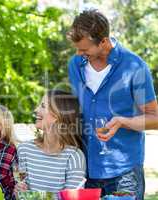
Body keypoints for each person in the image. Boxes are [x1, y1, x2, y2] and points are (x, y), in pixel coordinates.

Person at [67, 10, 158, 199]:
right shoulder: (75, 64)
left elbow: (155, 118)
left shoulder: (134, 67)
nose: (78, 54)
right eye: (77, 49)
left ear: (103, 41)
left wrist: (123, 122)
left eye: (84, 50)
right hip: (84, 169)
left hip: (124, 171)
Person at [15, 90, 86, 193]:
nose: (36, 110)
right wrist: (19, 191)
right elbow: (22, 192)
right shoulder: (24, 149)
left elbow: (72, 197)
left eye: (43, 106)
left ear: (57, 115)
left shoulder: (74, 157)